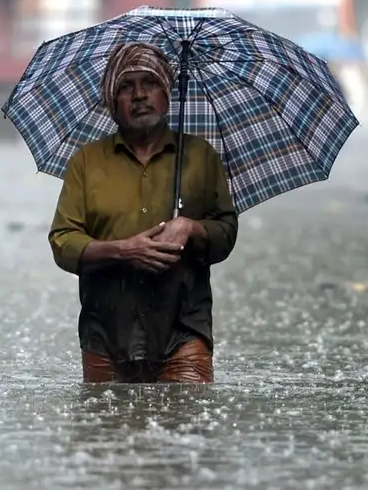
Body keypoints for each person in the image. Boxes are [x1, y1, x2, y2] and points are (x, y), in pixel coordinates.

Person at [49, 42, 238, 384]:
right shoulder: (87, 162)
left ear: (167, 94)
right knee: (106, 431)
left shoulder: (200, 157)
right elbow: (63, 241)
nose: (139, 95)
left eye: (149, 83)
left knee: (186, 430)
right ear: (111, 102)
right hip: (106, 334)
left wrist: (191, 227)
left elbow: (225, 233)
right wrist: (123, 250)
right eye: (125, 86)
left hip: (183, 331)